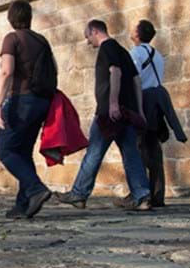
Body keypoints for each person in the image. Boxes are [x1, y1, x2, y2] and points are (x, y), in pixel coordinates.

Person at [53, 20, 153, 211]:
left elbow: (115, 72)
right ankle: (142, 196)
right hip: (128, 112)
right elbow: (136, 81)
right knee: (131, 153)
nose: (88, 42)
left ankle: (79, 194)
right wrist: (139, 111)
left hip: (110, 112)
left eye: (88, 37)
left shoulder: (107, 48)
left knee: (94, 153)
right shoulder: (122, 50)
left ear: (94, 31)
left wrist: (113, 103)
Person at [0, 0, 57, 220]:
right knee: (22, 152)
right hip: (42, 101)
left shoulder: (11, 39)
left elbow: (7, 71)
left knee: (5, 151)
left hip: (20, 100)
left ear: (11, 18)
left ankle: (36, 188)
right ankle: (23, 205)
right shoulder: (41, 40)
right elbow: (53, 68)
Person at [129, 19, 187, 207]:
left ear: (137, 34)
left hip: (143, 100)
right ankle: (157, 193)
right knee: (154, 148)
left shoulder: (136, 53)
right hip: (157, 101)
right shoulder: (158, 55)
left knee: (138, 147)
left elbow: (134, 79)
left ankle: (140, 192)